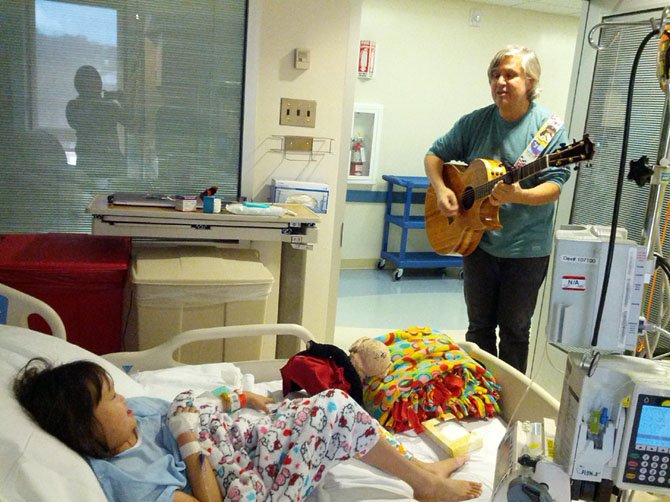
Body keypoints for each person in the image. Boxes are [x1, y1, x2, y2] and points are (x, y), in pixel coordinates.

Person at [13, 357, 482, 502]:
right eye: (109, 399)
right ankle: (423, 483)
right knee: (333, 410)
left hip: (245, 442)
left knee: (318, 409)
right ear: (85, 424)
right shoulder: (130, 480)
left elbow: (189, 408)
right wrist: (188, 438)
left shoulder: (137, 413)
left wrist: (241, 398)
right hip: (248, 485)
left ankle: (417, 471)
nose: (123, 400)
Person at [425, 45, 571, 373]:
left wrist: (519, 196)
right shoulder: (475, 122)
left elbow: (556, 186)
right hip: (479, 242)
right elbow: (434, 155)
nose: (500, 82)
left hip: (527, 247)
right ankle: (480, 395)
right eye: (495, 75)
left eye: (510, 75)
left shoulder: (548, 130)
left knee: (515, 331)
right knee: (478, 328)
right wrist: (442, 188)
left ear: (531, 82)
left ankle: (510, 405)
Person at [66, 65, 127, 173]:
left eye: (96, 80)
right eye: (89, 81)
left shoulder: (109, 105)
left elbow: (131, 123)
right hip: (89, 164)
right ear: (80, 85)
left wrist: (123, 101)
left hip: (112, 163)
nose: (96, 84)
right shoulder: (74, 105)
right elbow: (86, 120)